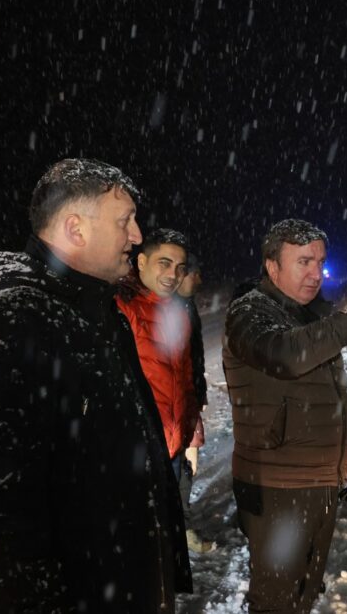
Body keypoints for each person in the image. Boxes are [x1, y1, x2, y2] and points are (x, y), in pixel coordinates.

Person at [0, 159, 192, 613]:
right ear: (76, 229)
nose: (136, 235)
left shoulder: (93, 310)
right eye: (125, 222)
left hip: (115, 582)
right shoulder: (13, 320)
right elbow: (3, 511)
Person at [222, 218, 347, 613]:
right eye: (304, 262)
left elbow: (335, 396)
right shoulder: (249, 313)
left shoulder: (309, 315)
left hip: (318, 480)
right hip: (278, 485)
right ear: (272, 266)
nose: (316, 273)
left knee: (305, 592)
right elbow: (286, 355)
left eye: (320, 262)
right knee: (277, 599)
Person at [115, 229, 209, 551]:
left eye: (179, 267)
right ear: (141, 261)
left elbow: (183, 379)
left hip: (170, 450)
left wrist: (186, 432)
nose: (173, 274)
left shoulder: (178, 314)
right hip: (133, 458)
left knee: (162, 547)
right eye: (164, 263)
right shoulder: (121, 308)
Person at [172, 252, 212, 552]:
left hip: (187, 399)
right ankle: (179, 529)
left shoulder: (187, 307)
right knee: (180, 463)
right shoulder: (168, 308)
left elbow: (193, 358)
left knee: (188, 460)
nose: (199, 279)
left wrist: (199, 392)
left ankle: (180, 524)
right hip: (173, 404)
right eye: (194, 273)